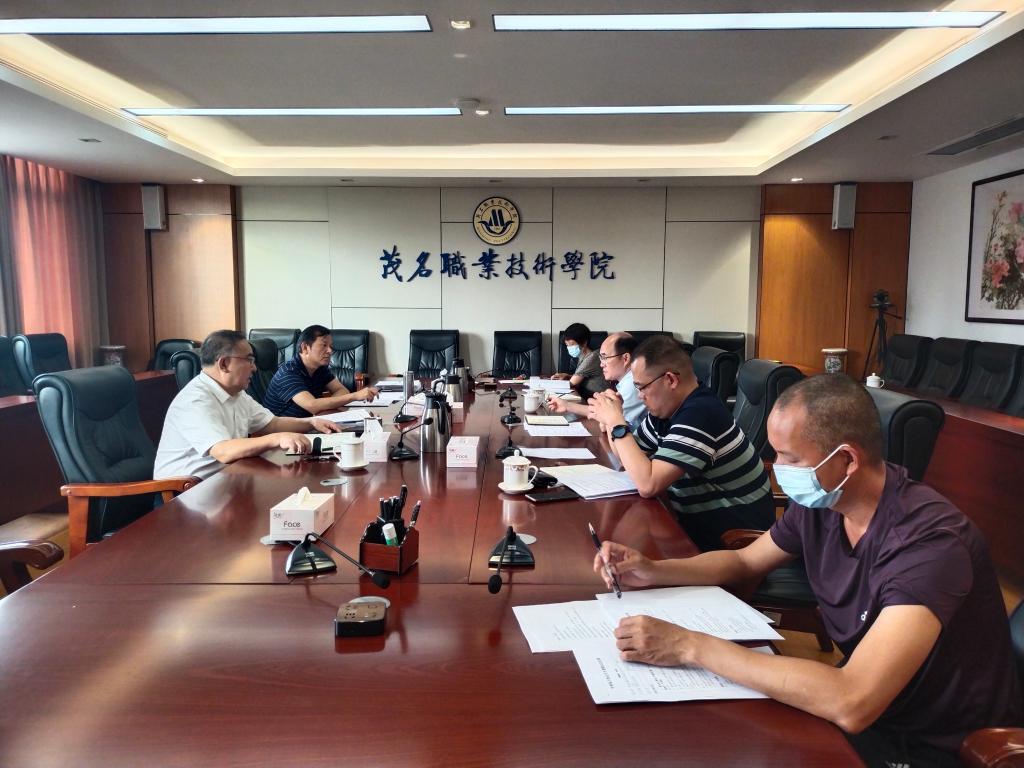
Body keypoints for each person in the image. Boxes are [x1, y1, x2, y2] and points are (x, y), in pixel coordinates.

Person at [595, 374, 1021, 767]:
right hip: (873, 712)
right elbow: (745, 560)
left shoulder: (931, 544)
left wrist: (689, 646)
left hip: (932, 743)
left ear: (847, 460)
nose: (777, 467)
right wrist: (653, 569)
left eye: (788, 456)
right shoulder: (824, 503)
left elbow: (853, 700)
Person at [589, 334, 773, 551]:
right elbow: (626, 457)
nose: (639, 396)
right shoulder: (666, 409)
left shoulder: (700, 414)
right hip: (690, 523)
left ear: (670, 380)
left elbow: (648, 485)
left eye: (641, 387)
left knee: (622, 554)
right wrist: (611, 419)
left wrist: (617, 423)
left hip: (734, 541)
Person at [154, 330, 341, 480]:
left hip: (228, 479)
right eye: (249, 360)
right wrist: (277, 438)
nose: (255, 368)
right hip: (185, 495)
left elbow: (272, 424)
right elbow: (224, 451)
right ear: (224, 364)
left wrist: (311, 423)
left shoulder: (236, 394)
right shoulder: (195, 400)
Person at [263, 325, 379, 417]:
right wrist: (355, 396)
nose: (330, 351)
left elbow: (342, 390)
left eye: (330, 346)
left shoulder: (320, 368)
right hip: (282, 433)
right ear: (305, 348)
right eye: (324, 345)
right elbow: (312, 405)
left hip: (308, 424)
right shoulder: (288, 373)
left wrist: (323, 407)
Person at [546, 332, 646, 430]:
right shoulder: (627, 380)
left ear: (625, 358)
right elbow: (602, 413)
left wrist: (568, 406)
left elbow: (609, 420)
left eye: (605, 357)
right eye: (601, 358)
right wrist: (567, 405)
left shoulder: (633, 384)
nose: (601, 364)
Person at [549, 322, 610, 401]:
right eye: (567, 345)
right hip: (590, 398)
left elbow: (571, 383)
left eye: (572, 344)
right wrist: (567, 375)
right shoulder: (583, 356)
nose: (569, 348)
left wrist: (547, 384)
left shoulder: (592, 358)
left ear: (584, 343)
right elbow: (582, 377)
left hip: (601, 401)